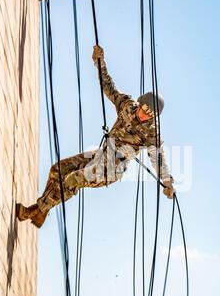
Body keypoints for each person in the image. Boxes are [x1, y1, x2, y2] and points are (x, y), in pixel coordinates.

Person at [16, 45, 175, 228]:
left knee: (72, 180)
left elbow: (159, 158)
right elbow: (109, 86)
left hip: (112, 168)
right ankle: (42, 211)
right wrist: (99, 62)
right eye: (145, 109)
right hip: (101, 154)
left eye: (150, 114)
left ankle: (35, 210)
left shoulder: (151, 133)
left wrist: (168, 181)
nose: (145, 115)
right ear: (140, 103)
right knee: (57, 169)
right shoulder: (127, 105)